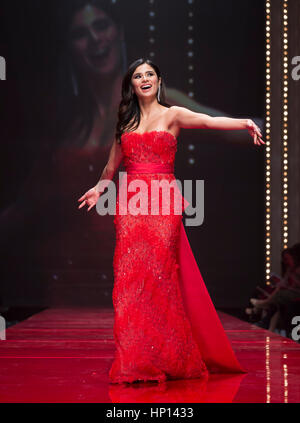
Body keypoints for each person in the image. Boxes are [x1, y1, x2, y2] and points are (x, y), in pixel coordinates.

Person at [78, 58, 264, 384]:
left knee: (160, 278)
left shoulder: (173, 114)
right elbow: (110, 169)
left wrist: (243, 122)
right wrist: (97, 189)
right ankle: (135, 359)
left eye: (150, 74)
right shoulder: (124, 124)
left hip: (163, 204)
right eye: (138, 75)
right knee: (130, 282)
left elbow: (207, 121)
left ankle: (168, 356)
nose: (145, 79)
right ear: (132, 85)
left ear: (159, 80)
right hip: (131, 207)